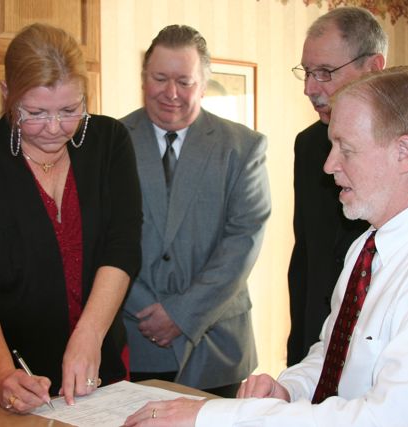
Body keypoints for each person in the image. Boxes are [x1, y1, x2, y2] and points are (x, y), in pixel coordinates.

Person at [125, 66, 408, 427]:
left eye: (345, 149)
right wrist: (288, 389)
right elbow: (336, 354)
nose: (329, 164)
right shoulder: (367, 246)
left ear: (403, 153)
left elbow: (391, 418)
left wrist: (215, 417)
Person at [0, 22, 142, 412]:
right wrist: (3, 375)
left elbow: (122, 248)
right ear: (6, 95)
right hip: (4, 379)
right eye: (34, 112)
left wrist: (89, 335)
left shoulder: (109, 143)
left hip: (99, 369)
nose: (54, 128)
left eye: (70, 110)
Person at [286, 6, 408, 366]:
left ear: (374, 67)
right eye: (306, 73)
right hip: (322, 354)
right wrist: (295, 366)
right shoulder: (308, 146)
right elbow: (305, 258)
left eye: (324, 73)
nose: (310, 88)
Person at [120, 25, 271, 398]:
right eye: (160, 78)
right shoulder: (112, 141)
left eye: (184, 82)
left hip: (217, 347)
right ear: (143, 79)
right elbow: (102, 238)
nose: (171, 93)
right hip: (134, 337)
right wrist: (146, 309)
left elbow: (242, 243)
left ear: (203, 85)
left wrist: (181, 314)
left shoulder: (243, 147)